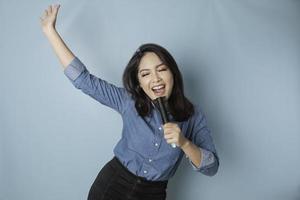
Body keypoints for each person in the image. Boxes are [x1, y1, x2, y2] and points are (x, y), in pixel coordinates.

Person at [40, 4, 219, 200]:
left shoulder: (193, 116)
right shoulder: (128, 101)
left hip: (152, 194)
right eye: (145, 74)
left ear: (173, 73)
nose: (156, 79)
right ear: (140, 83)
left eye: (162, 69)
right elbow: (84, 80)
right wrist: (50, 32)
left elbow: (211, 167)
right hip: (112, 184)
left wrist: (184, 142)